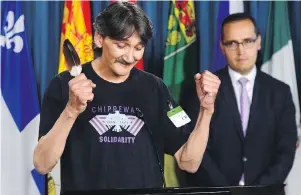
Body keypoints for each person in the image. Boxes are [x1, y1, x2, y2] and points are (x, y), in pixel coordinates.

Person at [33, 2, 221, 193]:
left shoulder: (156, 88)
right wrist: (71, 110)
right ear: (99, 38)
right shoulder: (64, 85)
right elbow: (42, 164)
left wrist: (206, 111)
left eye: (138, 47)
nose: (130, 57)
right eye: (121, 46)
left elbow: (189, 162)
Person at [185, 13, 297, 192]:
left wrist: (257, 191)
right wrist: (227, 191)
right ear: (222, 47)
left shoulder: (280, 92)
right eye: (232, 43)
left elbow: (286, 150)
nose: (241, 50)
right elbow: (198, 150)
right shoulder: (202, 89)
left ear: (259, 42)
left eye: (248, 41)